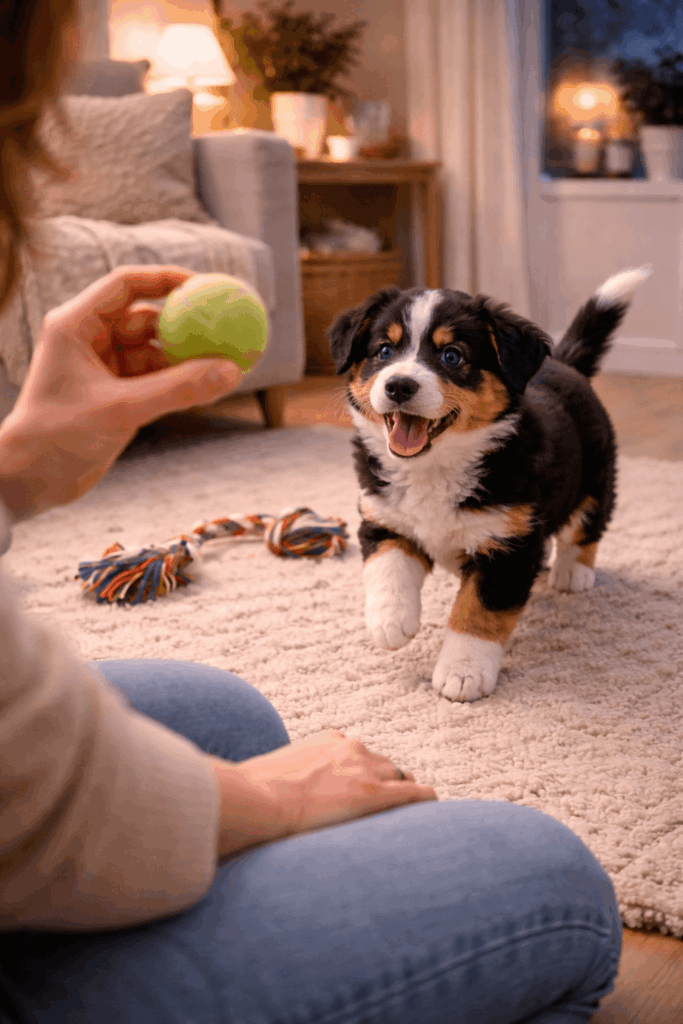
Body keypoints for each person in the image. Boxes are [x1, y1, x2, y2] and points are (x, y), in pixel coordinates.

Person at [0, 2, 621, 1021]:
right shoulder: (384, 445)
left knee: (231, 713)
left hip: (527, 495)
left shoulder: (537, 426)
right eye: (37, 136)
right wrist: (271, 802)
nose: (405, 378)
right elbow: (43, 813)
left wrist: (16, 467)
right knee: (553, 879)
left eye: (447, 362)